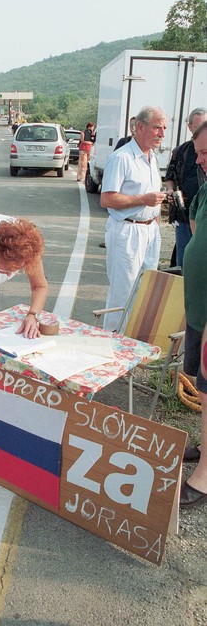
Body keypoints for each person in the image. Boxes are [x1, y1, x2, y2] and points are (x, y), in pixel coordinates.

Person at [100, 106, 167, 331]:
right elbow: (107, 200)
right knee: (122, 292)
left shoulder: (152, 159)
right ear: (140, 127)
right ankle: (112, 340)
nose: (162, 133)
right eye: (157, 127)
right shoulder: (122, 158)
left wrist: (154, 220)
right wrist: (143, 199)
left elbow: (152, 199)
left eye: (164, 128)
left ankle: (132, 340)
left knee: (144, 289)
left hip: (150, 231)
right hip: (127, 231)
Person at [179, 120, 207, 509]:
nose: (200, 161)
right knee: (202, 387)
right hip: (199, 310)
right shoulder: (205, 188)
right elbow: (195, 229)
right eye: (199, 152)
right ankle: (205, 445)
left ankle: (204, 479)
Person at [164, 107, 207, 268]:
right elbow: (170, 178)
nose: (200, 160)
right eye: (198, 126)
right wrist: (171, 191)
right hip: (184, 214)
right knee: (184, 259)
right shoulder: (181, 151)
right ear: (189, 127)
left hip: (203, 215)